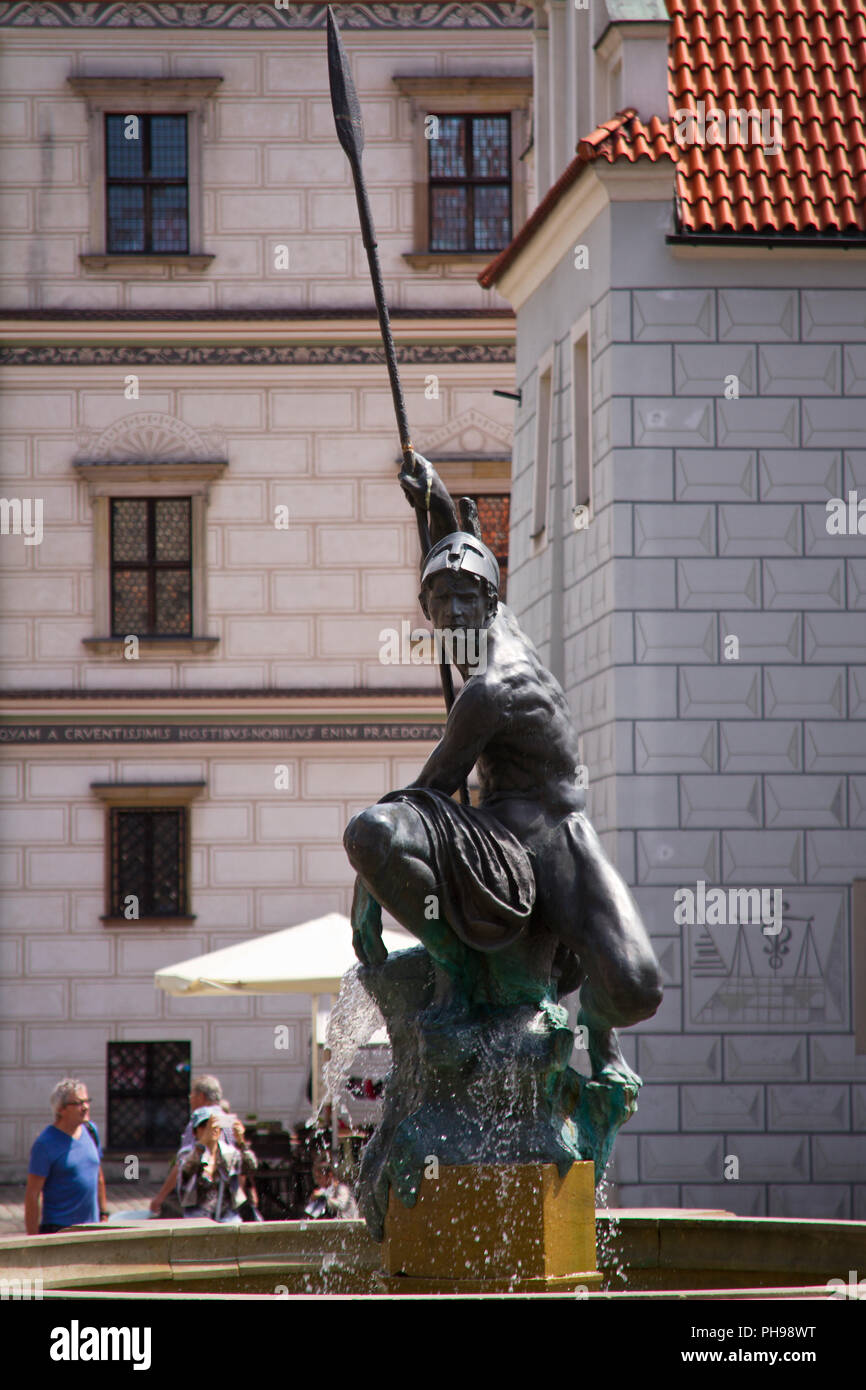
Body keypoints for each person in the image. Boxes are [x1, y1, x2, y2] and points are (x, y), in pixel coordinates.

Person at [344, 452, 662, 1100]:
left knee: (636, 985)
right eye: (442, 602)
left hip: (556, 836)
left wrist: (367, 888)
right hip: (499, 825)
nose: (455, 614)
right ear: (428, 608)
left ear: (491, 602)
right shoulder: (485, 628)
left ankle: (600, 1038)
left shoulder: (490, 688)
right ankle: (457, 965)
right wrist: (433, 498)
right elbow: (459, 553)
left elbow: (428, 794)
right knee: (375, 832)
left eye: (467, 601)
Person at [25, 1079, 109, 1235]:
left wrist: (104, 1213)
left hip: (93, 1227)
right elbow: (32, 1194)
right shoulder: (45, 1144)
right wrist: (32, 1241)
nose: (86, 1107)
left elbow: (98, 1175)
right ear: (61, 1109)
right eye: (78, 1103)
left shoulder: (91, 1131)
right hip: (59, 1229)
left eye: (87, 1101)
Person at [150, 1073, 237, 1216]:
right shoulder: (229, 1122)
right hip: (225, 1202)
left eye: (191, 1095)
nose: (190, 1100)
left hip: (200, 1200)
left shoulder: (198, 1124)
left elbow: (182, 1164)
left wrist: (160, 1197)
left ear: (201, 1096)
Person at [176, 1108, 257, 1223]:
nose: (210, 1129)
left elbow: (251, 1168)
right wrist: (203, 1143)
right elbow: (187, 1170)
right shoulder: (187, 1153)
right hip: (197, 1215)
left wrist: (242, 1143)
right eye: (204, 1126)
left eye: (214, 1125)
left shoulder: (229, 1152)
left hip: (227, 1216)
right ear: (195, 1132)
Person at [304, 1153, 359, 1221]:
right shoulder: (325, 1190)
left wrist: (325, 1196)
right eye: (316, 1178)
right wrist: (313, 1199)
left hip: (347, 1224)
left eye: (319, 1178)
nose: (317, 1181)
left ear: (329, 1175)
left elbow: (342, 1205)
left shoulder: (342, 1189)